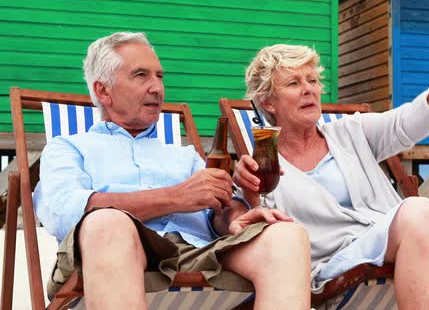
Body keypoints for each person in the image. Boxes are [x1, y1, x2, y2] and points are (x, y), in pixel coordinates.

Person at [233, 4, 429, 310]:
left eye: (313, 80)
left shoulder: (351, 132)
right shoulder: (261, 164)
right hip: (333, 262)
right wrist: (247, 190)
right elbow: (247, 224)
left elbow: (412, 119)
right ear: (268, 101)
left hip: (396, 238)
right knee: (420, 212)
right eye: (294, 83)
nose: (309, 90)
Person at [33, 32, 311, 310]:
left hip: (195, 253)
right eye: (141, 75)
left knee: (287, 236)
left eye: (160, 76)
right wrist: (175, 198)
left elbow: (218, 212)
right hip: (108, 254)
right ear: (104, 91)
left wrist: (235, 217)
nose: (157, 87)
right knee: (105, 223)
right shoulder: (68, 148)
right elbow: (65, 213)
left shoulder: (184, 156)